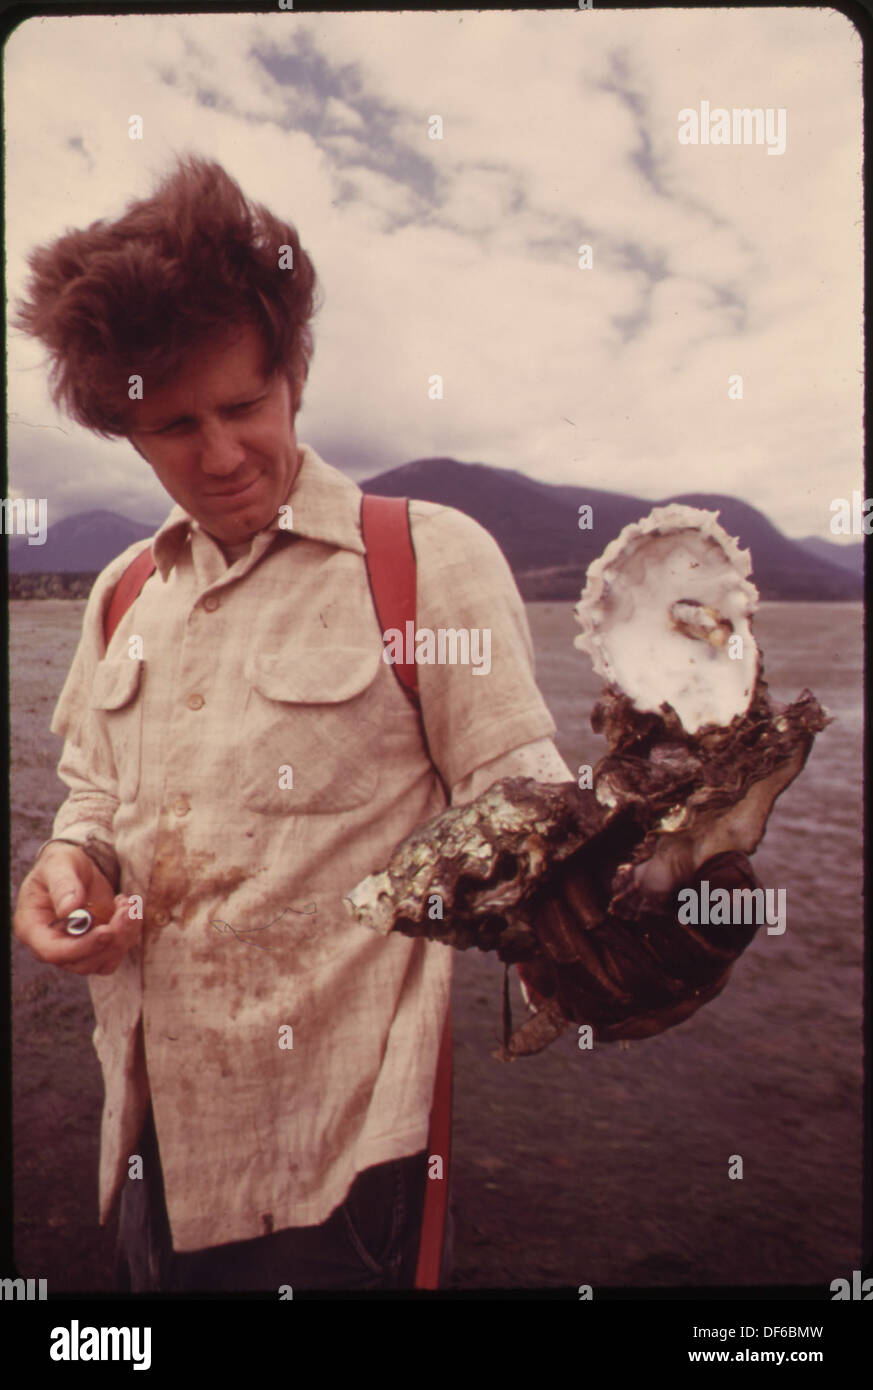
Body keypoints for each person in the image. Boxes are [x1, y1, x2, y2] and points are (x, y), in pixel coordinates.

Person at [12, 156, 759, 1294]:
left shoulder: (426, 560)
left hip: (341, 1162)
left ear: (295, 373)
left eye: (243, 406)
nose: (217, 456)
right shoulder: (120, 595)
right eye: (171, 426)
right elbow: (95, 794)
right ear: (122, 430)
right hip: (150, 1132)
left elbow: (529, 820)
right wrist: (69, 860)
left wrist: (671, 878)